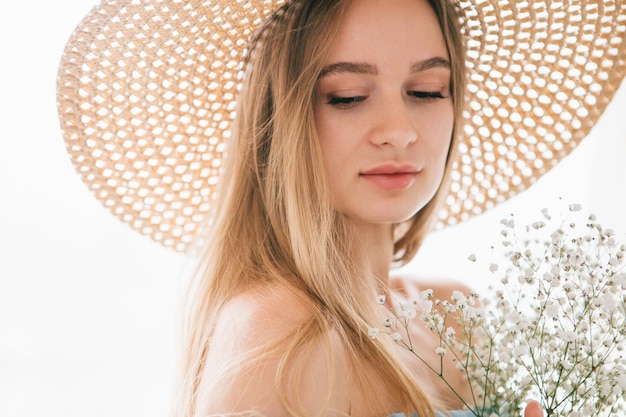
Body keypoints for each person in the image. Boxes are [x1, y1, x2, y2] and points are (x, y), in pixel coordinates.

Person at [56, 0, 626, 416]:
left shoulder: (456, 314)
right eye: (348, 97)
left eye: (427, 90)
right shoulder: (277, 336)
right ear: (280, 122)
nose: (399, 132)